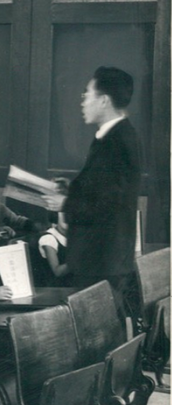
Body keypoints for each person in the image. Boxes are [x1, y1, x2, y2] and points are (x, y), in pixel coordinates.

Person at [42, 66, 142, 316]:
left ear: (104, 100)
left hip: (102, 259)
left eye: (87, 95)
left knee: (97, 331)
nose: (83, 102)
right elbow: (101, 188)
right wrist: (71, 188)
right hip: (102, 257)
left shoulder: (116, 141)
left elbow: (110, 204)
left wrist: (64, 204)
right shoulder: (113, 137)